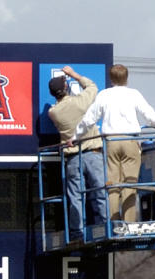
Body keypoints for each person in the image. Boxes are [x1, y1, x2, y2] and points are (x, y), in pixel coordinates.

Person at [70, 63, 155, 223]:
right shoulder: (133, 94)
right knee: (129, 184)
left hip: (110, 142)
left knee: (112, 186)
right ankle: (128, 223)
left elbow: (89, 119)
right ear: (127, 78)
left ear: (111, 79)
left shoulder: (104, 95)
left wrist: (75, 137)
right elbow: (150, 115)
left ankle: (114, 223)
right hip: (130, 141)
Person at [47, 66, 107, 241]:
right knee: (100, 192)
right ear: (65, 88)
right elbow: (93, 88)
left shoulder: (53, 113)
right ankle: (104, 226)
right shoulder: (80, 102)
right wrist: (74, 75)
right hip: (93, 154)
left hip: (72, 159)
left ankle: (77, 233)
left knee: (75, 198)